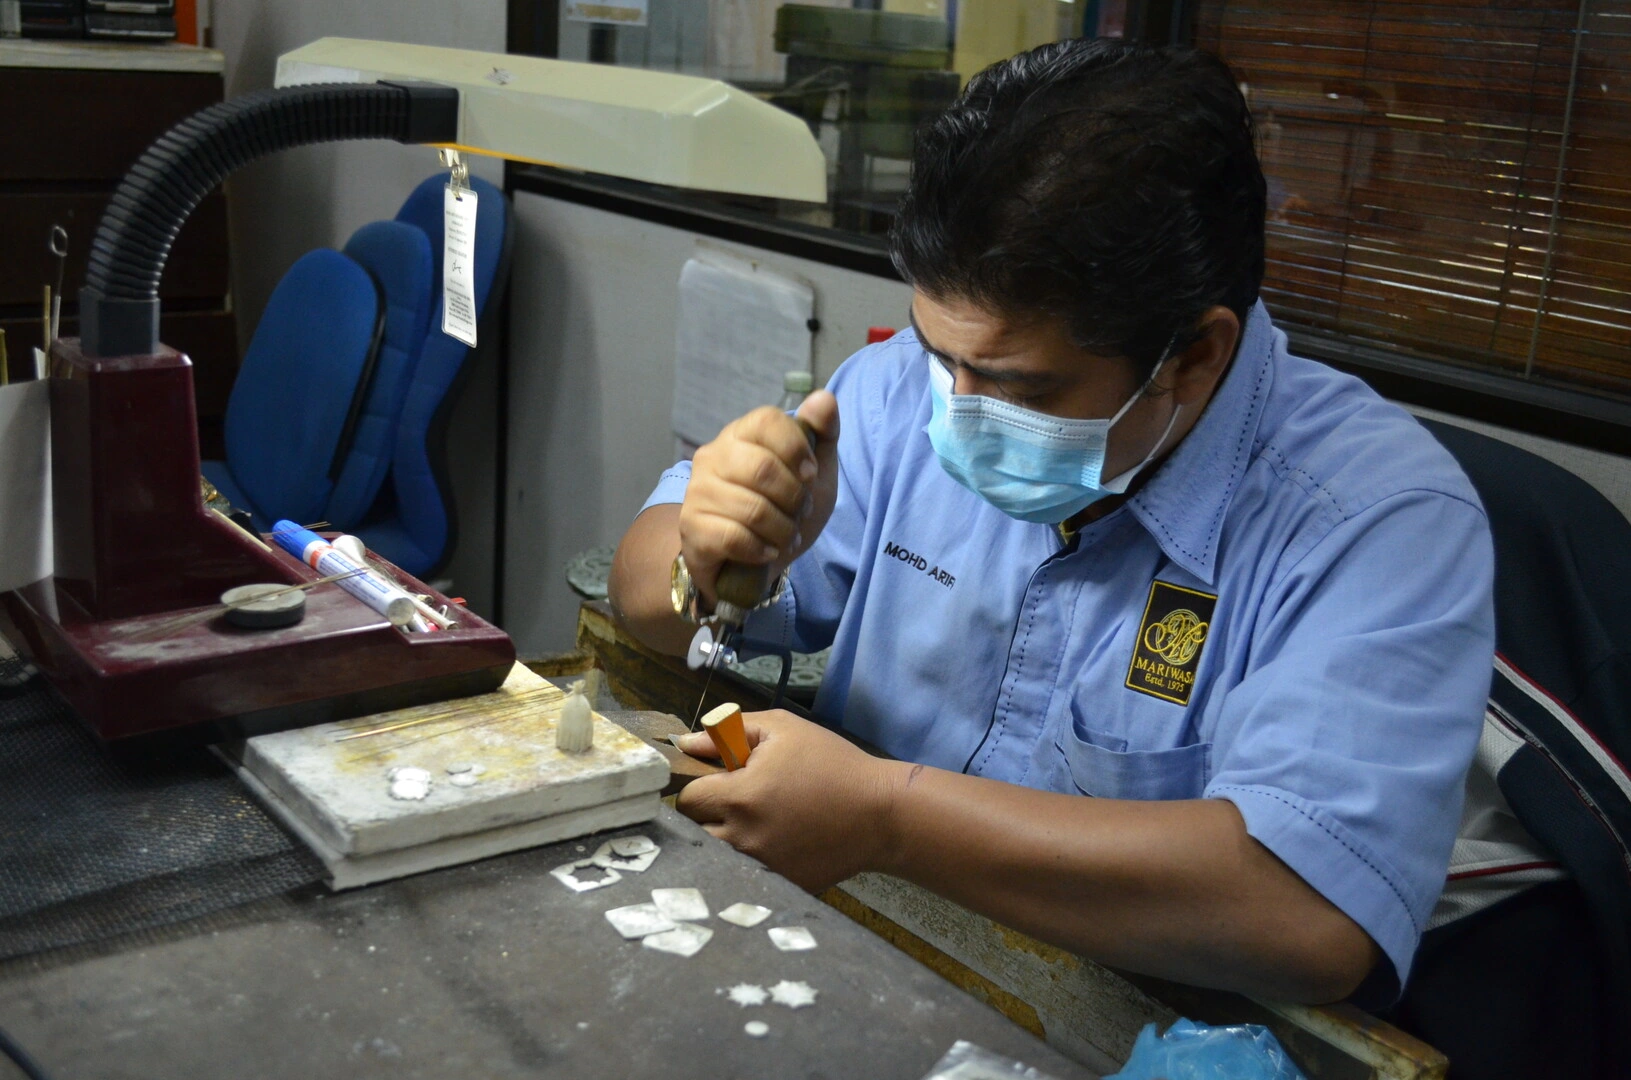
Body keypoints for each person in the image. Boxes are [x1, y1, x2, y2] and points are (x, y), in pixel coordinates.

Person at [608, 38, 1494, 1006]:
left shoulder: (1378, 522)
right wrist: (710, 557)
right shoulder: (899, 390)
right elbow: (641, 602)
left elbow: (1305, 917)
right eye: (940, 356)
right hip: (856, 953)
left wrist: (889, 819)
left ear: (1194, 355)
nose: (955, 409)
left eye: (1020, 388)